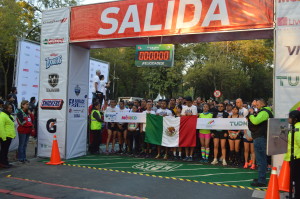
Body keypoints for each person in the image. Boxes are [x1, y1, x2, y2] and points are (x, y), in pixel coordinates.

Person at [248, 99, 273, 187]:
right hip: (261, 137)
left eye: (257, 104)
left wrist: (251, 114)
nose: (255, 106)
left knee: (261, 159)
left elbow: (255, 121)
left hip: (260, 137)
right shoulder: (265, 111)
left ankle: (261, 180)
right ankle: (261, 177)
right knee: (261, 159)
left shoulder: (264, 112)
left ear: (262, 104)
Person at [284, 110, 300, 199]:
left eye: (290, 117)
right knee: (296, 179)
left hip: (297, 157)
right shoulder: (294, 127)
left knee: (297, 179)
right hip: (294, 156)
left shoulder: (297, 129)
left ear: (295, 119)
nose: (288, 119)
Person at [181, 96, 198, 162]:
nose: (187, 103)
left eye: (189, 102)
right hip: (185, 127)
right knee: (186, 141)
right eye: (186, 102)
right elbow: (182, 115)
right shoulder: (184, 107)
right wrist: (186, 115)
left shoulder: (194, 107)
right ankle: (187, 155)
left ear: (191, 102)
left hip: (192, 127)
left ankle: (191, 156)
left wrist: (190, 115)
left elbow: (195, 116)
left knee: (191, 141)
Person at [0, 103, 16, 168]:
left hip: (9, 136)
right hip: (5, 136)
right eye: (9, 108)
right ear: (6, 108)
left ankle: (5, 162)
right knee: (3, 151)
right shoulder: (2, 115)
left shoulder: (9, 115)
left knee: (6, 151)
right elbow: (1, 127)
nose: (11, 109)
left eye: (11, 108)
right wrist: (3, 137)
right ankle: (2, 163)